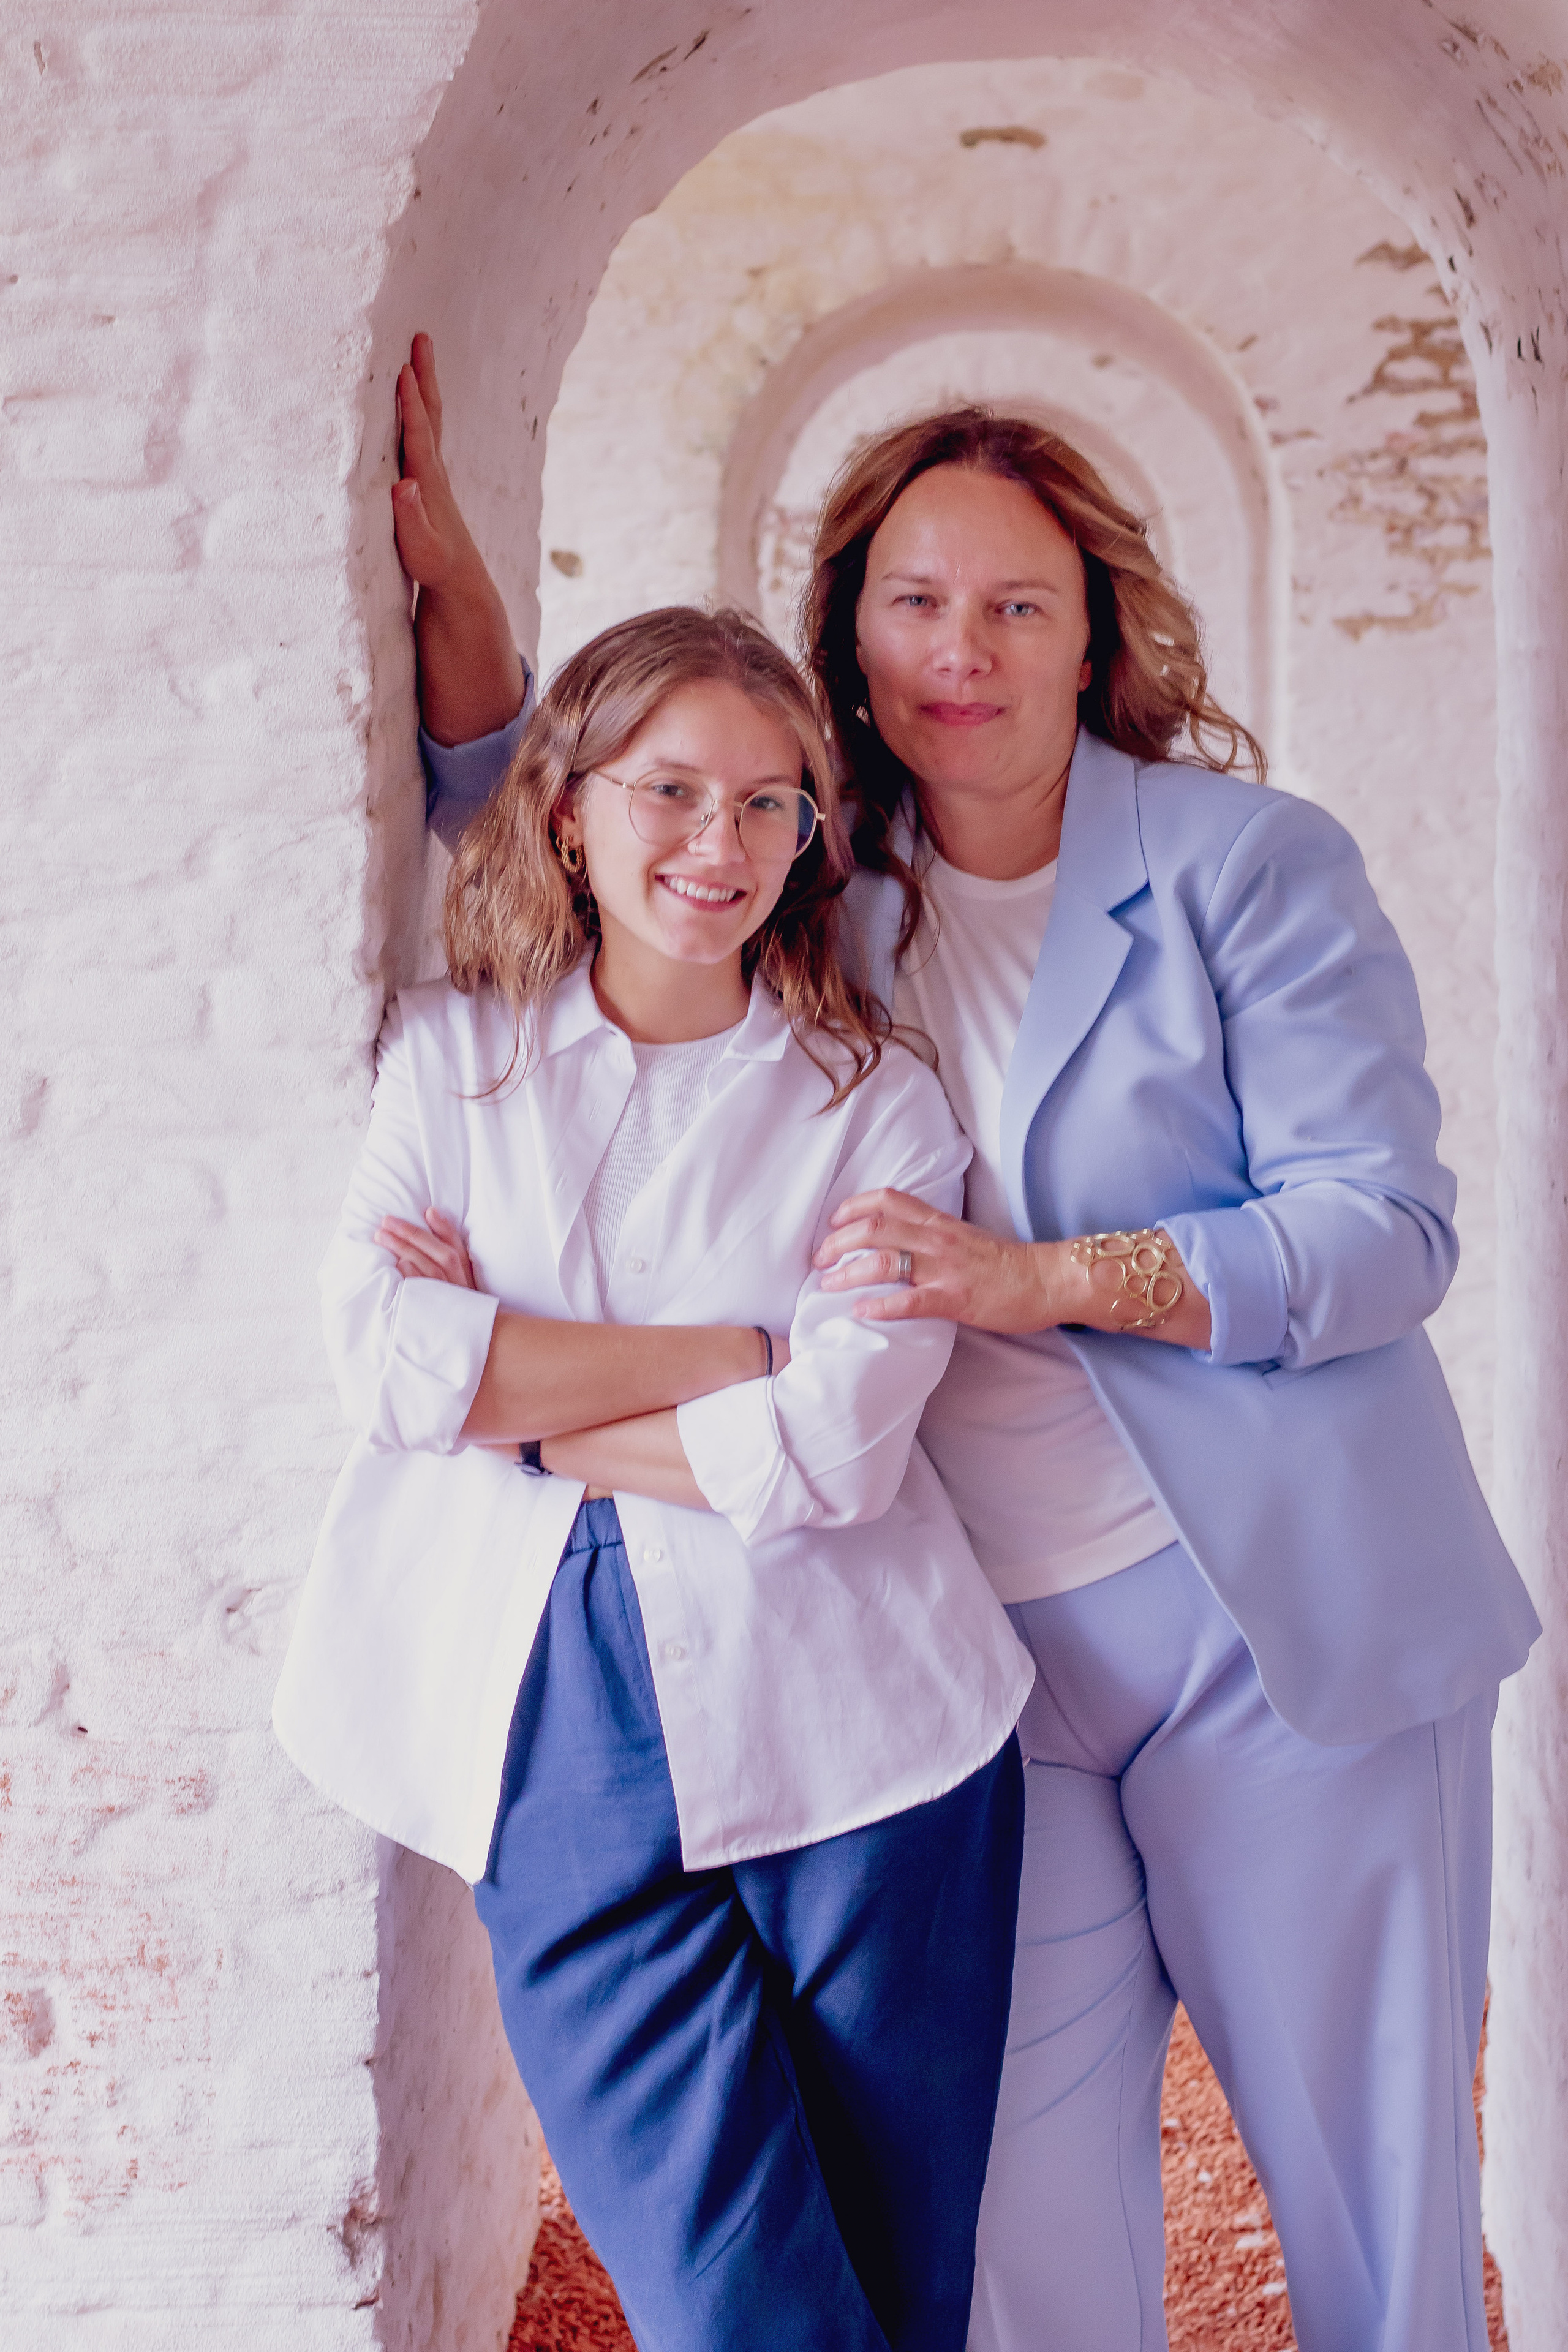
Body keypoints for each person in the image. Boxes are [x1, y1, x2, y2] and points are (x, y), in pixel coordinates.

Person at [401, 335, 1540, 2352]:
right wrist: (470, 647)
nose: (962, 648)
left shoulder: (1249, 866)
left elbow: (1385, 1235)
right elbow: (607, 832)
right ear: (850, 626)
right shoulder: (819, 875)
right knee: (1028, 2245)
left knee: (1368, 2216)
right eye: (914, 598)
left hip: (1270, 1624)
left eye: (1019, 603)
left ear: (1096, 631)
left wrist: (1039, 1278)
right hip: (984, 1671)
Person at [273, 603, 1039, 2352]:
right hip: (545, 1730)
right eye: (673, 790)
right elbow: (387, 1365)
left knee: (900, 2286)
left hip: (876, 1736)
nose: (722, 841)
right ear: (569, 810)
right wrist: (733, 1353)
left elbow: (838, 1452)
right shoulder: (449, 1062)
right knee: (729, 2300)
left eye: (770, 802)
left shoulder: (879, 1105)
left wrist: (524, 1406)